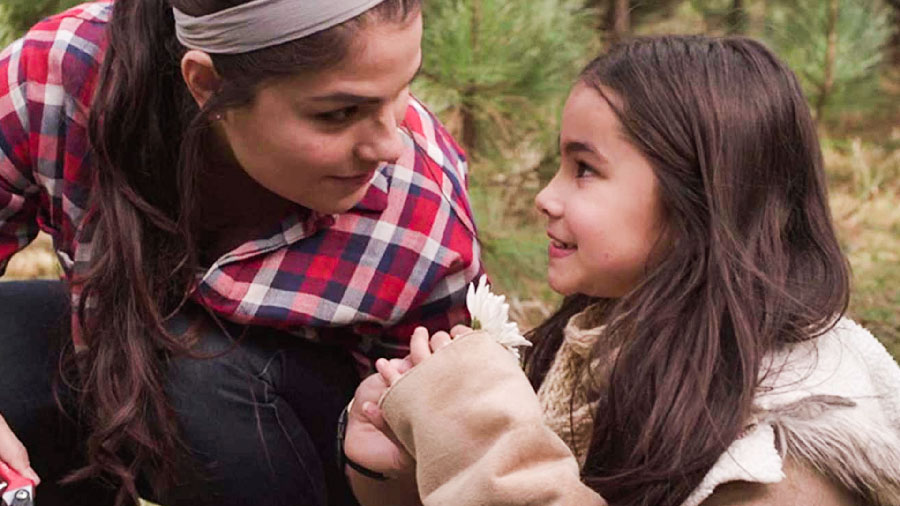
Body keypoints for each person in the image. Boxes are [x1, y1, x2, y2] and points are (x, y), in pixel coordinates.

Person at [344, 36, 900, 506]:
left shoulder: (785, 461)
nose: (544, 197)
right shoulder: (594, 347)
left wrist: (481, 438)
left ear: (698, 203)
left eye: (584, 169)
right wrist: (400, 464)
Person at [0, 0, 482, 504]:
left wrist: (383, 463)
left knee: (192, 369)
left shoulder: (419, 216)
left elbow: (446, 466)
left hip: (309, 461)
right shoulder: (64, 73)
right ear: (208, 85)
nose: (389, 145)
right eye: (339, 113)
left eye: (403, 90)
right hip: (115, 399)